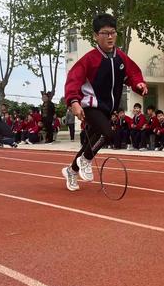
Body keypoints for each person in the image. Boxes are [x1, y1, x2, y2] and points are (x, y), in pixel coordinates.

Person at [62, 13, 147, 191]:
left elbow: (132, 74)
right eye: (105, 33)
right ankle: (85, 160)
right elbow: (73, 80)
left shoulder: (120, 57)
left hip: (108, 109)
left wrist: (139, 85)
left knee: (91, 141)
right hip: (91, 106)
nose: (110, 36)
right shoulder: (89, 59)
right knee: (107, 134)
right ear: (95, 36)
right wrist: (74, 101)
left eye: (113, 32)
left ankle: (71, 170)